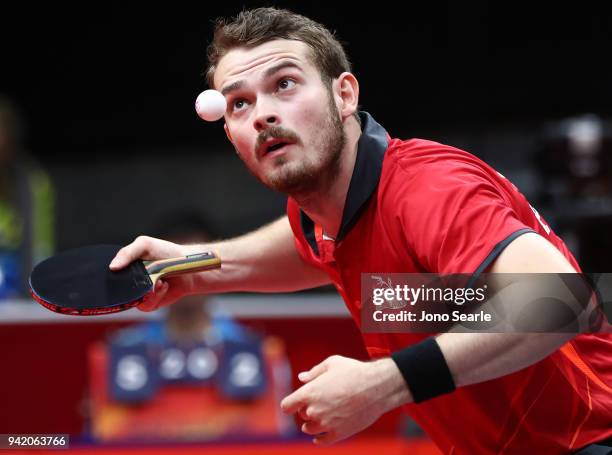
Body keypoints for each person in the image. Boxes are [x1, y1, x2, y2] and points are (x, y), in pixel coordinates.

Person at [109, 8, 612, 454]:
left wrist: (384, 383)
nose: (262, 113)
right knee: (399, 297)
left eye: (284, 84)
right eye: (239, 103)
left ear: (343, 94)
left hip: (592, 437)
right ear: (229, 133)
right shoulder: (328, 213)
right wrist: (195, 270)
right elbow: (306, 245)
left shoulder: (426, 188)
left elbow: (562, 303)